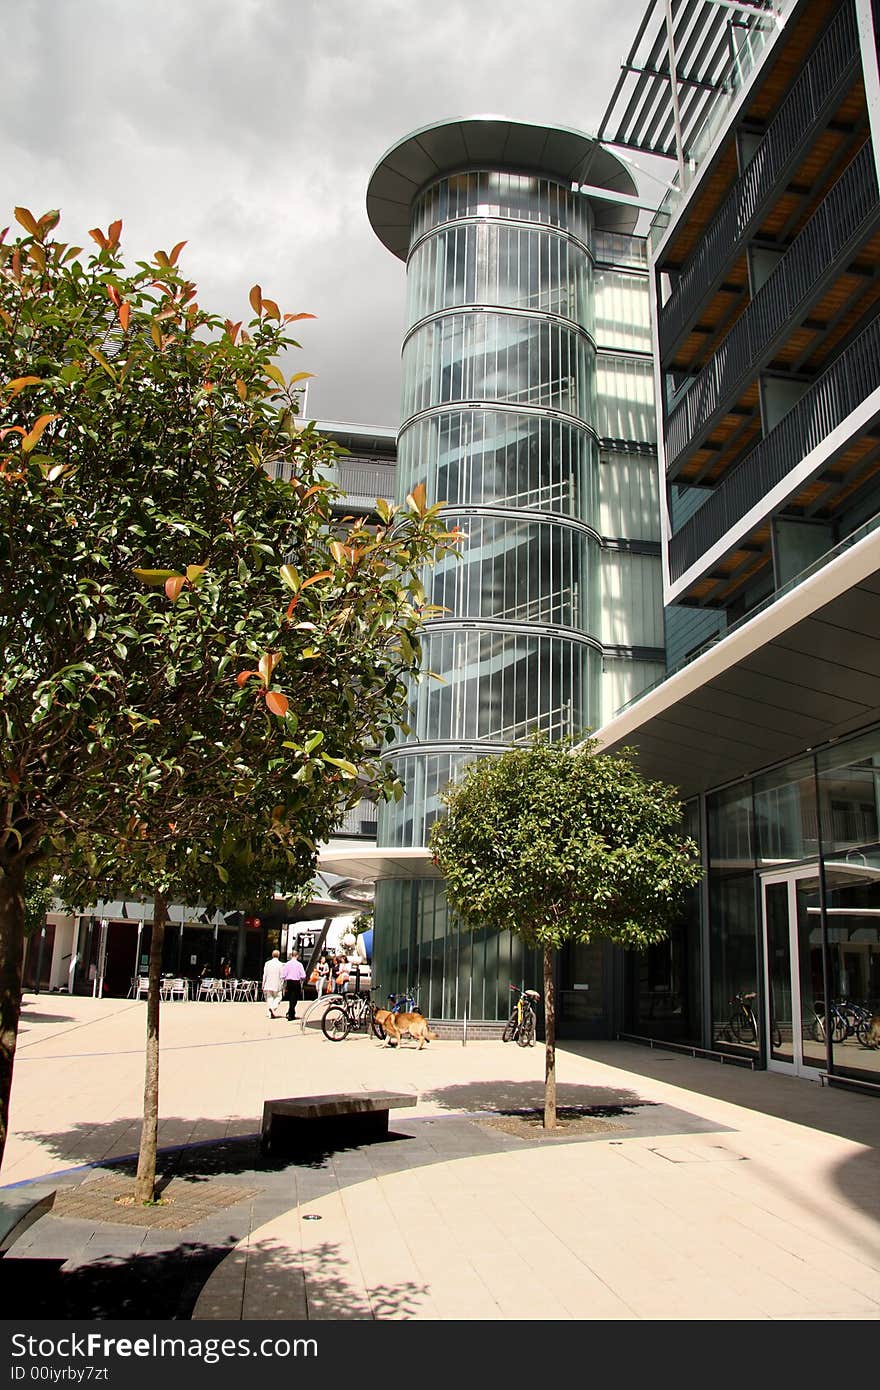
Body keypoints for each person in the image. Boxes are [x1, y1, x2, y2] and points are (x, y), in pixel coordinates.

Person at [281, 949, 306, 1021]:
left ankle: (291, 1012)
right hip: (296, 982)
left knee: (290, 997)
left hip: (289, 982)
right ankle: (291, 1013)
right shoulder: (299, 964)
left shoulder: (287, 964)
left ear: (291, 955)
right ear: (297, 956)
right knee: (295, 998)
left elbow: (283, 975)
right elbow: (303, 975)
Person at [261, 949, 284, 1019]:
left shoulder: (267, 963)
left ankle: (269, 1013)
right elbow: (282, 976)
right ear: (279, 955)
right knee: (279, 997)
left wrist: (263, 983)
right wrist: (283, 984)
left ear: (272, 955)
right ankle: (273, 1007)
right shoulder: (281, 964)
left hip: (268, 983)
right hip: (277, 984)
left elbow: (265, 974)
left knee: (269, 998)